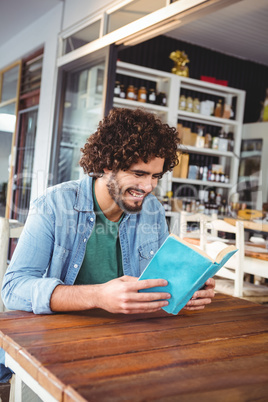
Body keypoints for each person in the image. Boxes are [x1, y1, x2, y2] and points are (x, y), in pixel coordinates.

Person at [0, 108, 215, 381]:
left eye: (155, 176)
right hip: (55, 340)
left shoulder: (153, 211)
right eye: (139, 173)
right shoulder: (54, 205)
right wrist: (98, 296)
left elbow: (157, 283)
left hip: (126, 340)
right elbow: (13, 288)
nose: (148, 187)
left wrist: (186, 291)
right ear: (106, 164)